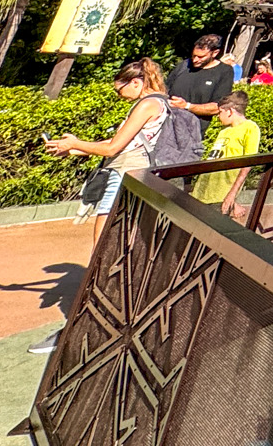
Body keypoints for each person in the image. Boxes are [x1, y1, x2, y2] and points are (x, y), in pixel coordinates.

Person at [34, 59, 171, 355]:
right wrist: (74, 148)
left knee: (102, 250)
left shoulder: (148, 104)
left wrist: (76, 143)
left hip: (123, 176)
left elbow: (112, 148)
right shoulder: (157, 103)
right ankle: (112, 315)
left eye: (120, 89)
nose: (119, 94)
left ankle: (97, 321)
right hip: (133, 175)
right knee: (117, 248)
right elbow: (119, 142)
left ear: (136, 82)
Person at [188, 91, 262, 220]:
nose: (218, 116)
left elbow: (248, 164)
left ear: (230, 111)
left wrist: (232, 195)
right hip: (203, 191)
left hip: (221, 194)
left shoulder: (250, 128)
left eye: (220, 112)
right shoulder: (224, 132)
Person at [167, 34, 238, 120]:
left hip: (193, 125)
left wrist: (187, 106)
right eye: (194, 55)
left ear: (215, 53)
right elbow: (164, 90)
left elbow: (217, 107)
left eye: (201, 57)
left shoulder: (224, 72)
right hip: (168, 121)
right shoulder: (184, 65)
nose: (195, 60)